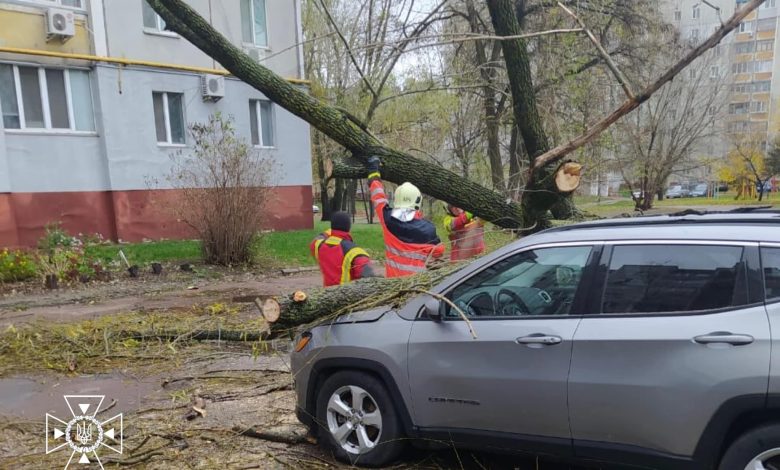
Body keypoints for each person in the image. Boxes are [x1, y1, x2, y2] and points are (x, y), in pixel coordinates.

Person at [366, 156, 444, 277]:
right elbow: (439, 252)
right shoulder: (429, 229)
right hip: (418, 286)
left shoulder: (388, 218)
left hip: (392, 284)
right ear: (418, 201)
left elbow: (378, 196)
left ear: (397, 200)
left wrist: (373, 171)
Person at [310, 211, 377, 287]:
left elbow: (320, 236)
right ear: (349, 227)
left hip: (326, 295)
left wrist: (333, 230)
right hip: (348, 297)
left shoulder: (318, 245)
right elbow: (370, 280)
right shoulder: (356, 252)